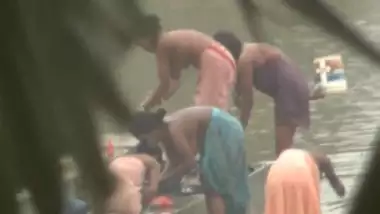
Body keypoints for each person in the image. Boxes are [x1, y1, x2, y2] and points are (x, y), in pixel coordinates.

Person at [213, 32, 324, 157]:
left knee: (282, 152)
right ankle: (308, 163)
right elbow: (238, 94)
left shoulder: (245, 60)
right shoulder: (246, 54)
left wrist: (240, 128)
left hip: (288, 92)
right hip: (291, 88)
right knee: (284, 149)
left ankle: (318, 162)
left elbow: (248, 101)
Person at [128, 107, 250, 214]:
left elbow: (189, 162)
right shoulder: (164, 135)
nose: (146, 144)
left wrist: (172, 178)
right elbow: (173, 163)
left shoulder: (174, 129)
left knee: (213, 184)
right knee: (212, 182)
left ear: (152, 131)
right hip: (215, 131)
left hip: (223, 128)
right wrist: (158, 181)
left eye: (144, 140)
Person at [133, 15, 242, 111]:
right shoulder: (172, 43)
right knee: (214, 107)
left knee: (206, 110)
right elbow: (174, 83)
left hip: (214, 60)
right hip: (225, 59)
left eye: (141, 44)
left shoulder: (163, 45)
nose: (143, 48)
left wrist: (145, 106)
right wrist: (155, 100)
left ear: (148, 37)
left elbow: (164, 84)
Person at [264, 148, 345, 214]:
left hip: (274, 176)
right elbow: (340, 189)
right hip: (301, 174)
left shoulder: (297, 155)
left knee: (279, 208)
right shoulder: (323, 161)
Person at [106, 142, 162, 214]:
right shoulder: (149, 159)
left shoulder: (120, 159)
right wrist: (153, 186)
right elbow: (153, 189)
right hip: (130, 194)